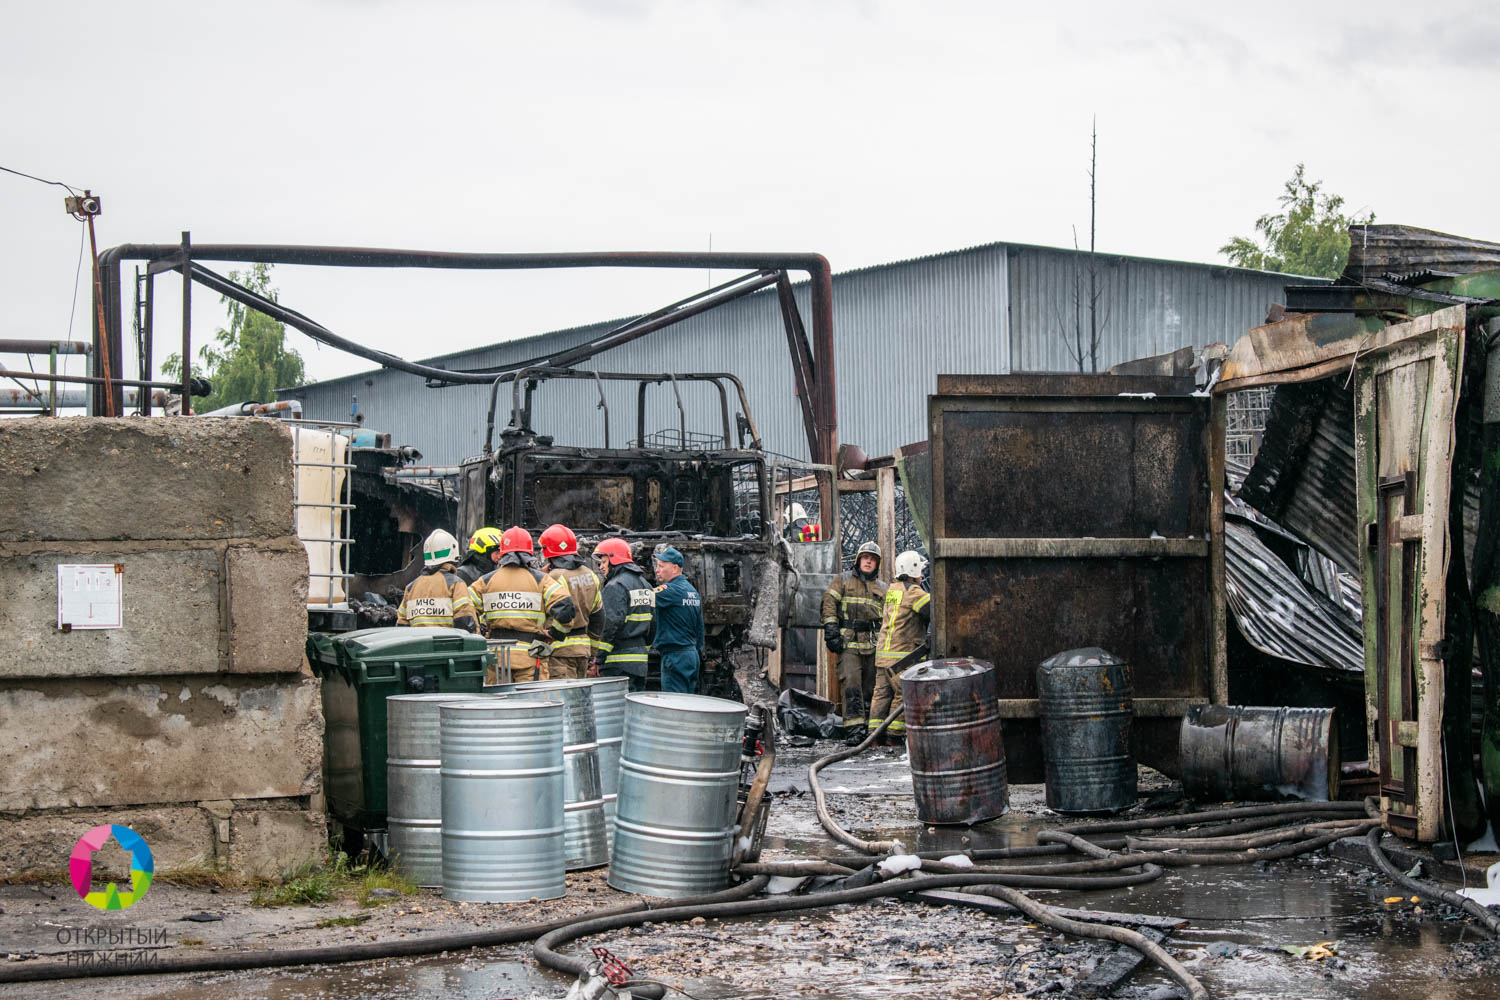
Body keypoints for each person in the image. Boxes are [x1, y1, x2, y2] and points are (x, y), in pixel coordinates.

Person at [469, 526, 575, 686]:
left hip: (497, 658)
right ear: (529, 553)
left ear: (503, 552)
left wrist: (480, 633)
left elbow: (465, 608)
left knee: (498, 704)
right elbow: (565, 607)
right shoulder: (542, 580)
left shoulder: (485, 581)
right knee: (530, 706)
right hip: (531, 657)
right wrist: (555, 633)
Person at [822, 541, 887, 742]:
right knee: (851, 684)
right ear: (859, 560)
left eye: (873, 559)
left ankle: (870, 731)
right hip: (848, 644)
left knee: (871, 689)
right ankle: (854, 731)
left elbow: (892, 616)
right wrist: (831, 630)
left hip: (873, 645)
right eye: (865, 558)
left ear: (877, 564)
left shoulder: (884, 588)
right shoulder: (842, 580)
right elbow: (829, 604)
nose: (868, 561)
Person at [867, 549, 931, 747]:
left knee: (881, 695)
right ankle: (894, 737)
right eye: (920, 571)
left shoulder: (893, 589)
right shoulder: (914, 592)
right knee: (904, 694)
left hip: (883, 656)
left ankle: (874, 737)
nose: (922, 575)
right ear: (913, 570)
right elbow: (934, 611)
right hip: (902, 657)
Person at [538, 523, 603, 680]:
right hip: (582, 651)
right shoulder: (590, 575)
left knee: (562, 701)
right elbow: (599, 617)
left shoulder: (552, 577)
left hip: (559, 653)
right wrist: (593, 652)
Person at [593, 537, 654, 692]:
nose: (601, 567)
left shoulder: (615, 586)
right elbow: (654, 624)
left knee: (614, 711)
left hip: (617, 664)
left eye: (604, 562)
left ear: (614, 560)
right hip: (640, 663)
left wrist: (599, 659)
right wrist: (642, 651)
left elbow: (611, 624)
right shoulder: (646, 585)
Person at [396, 529, 478, 631]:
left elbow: (402, 626)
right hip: (448, 646)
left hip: (418, 646)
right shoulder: (456, 584)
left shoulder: (411, 588)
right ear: (452, 552)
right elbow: (466, 623)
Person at [651, 546, 704, 694]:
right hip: (691, 655)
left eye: (661, 566)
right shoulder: (692, 592)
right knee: (687, 701)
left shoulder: (670, 590)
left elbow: (640, 597)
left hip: (675, 656)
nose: (657, 570)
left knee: (674, 706)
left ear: (674, 568)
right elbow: (700, 630)